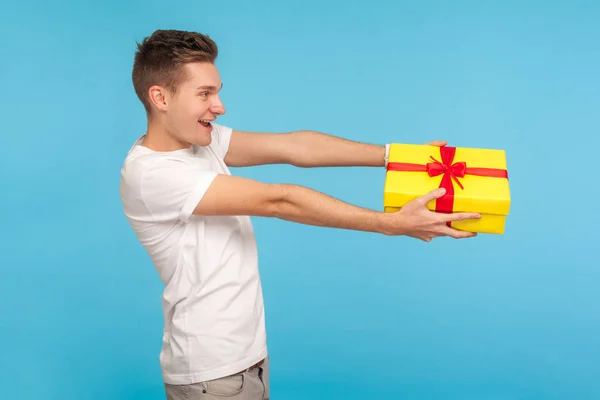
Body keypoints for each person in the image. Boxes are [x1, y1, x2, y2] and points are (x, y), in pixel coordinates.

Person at [119, 29, 481, 400]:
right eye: (205, 94)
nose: (220, 105)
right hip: (211, 373)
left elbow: (296, 147)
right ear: (160, 97)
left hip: (245, 360)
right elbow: (280, 201)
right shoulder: (152, 174)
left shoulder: (199, 142)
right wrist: (392, 224)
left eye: (217, 90)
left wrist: (396, 157)